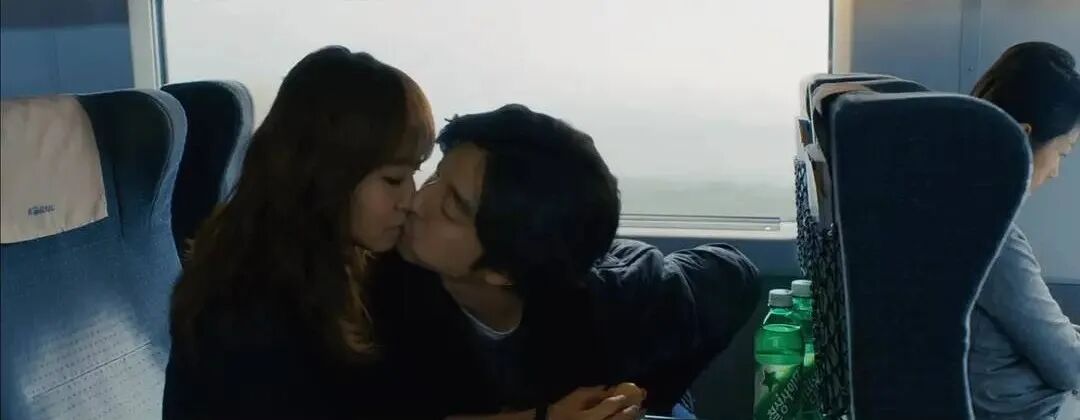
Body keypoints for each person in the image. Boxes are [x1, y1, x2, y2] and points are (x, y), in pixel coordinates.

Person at [370, 104, 761, 419]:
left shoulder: (617, 300)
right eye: (435, 176)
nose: (415, 201)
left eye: (451, 207)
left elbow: (734, 273)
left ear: (504, 270)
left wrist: (641, 394)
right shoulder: (371, 292)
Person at [163, 46, 436, 419]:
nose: (410, 200)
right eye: (393, 179)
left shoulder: (356, 263)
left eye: (414, 175)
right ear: (327, 177)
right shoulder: (244, 312)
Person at [967, 41, 1080, 420]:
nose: (1056, 172)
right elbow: (1068, 366)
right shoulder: (992, 236)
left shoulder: (952, 210)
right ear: (1021, 136)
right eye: (1062, 152)